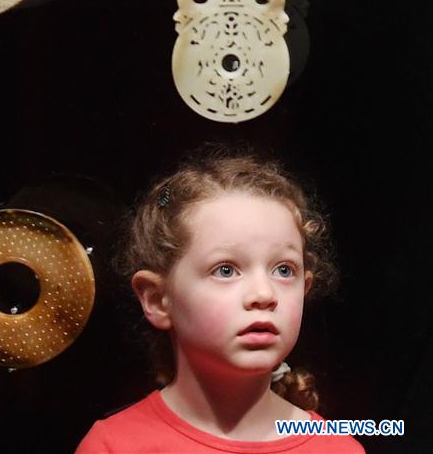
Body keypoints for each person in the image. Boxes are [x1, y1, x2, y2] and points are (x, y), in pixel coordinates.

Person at [75, 148, 365, 452]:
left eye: (284, 270)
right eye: (225, 270)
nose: (264, 295)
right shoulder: (114, 446)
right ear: (158, 299)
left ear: (305, 289)